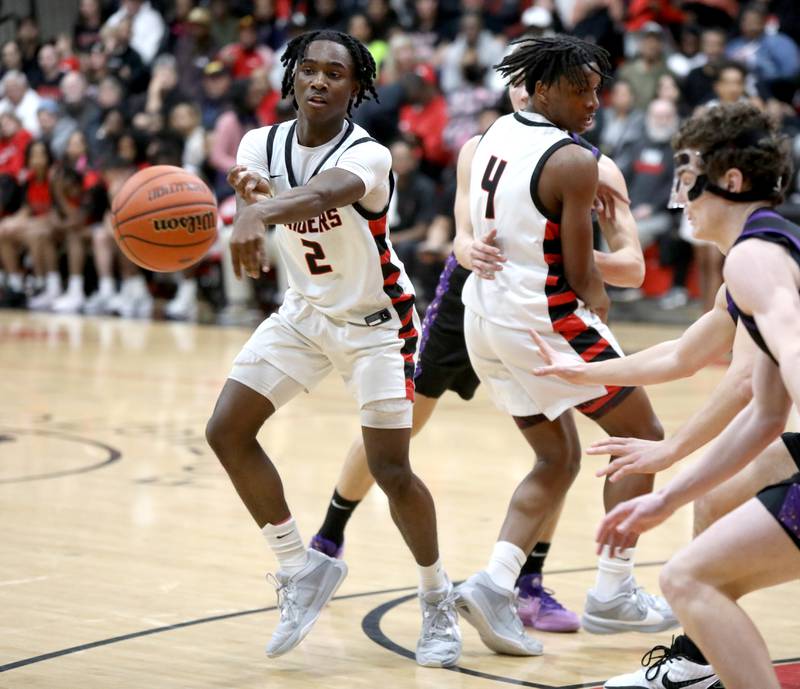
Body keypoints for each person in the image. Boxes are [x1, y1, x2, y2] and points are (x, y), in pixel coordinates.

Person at [299, 80, 645, 636]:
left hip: (536, 303)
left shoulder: (588, 167)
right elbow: (462, 234)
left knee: (557, 447)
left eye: (528, 88)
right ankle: (328, 537)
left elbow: (630, 270)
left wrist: (569, 250)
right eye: (514, 89)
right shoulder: (481, 146)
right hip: (470, 300)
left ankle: (527, 584)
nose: (520, 98)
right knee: (401, 420)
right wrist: (464, 245)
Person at [206, 30, 462, 667]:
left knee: (390, 470)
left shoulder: (369, 155)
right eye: (309, 70)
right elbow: (264, 194)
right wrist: (248, 201)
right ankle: (301, 568)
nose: (319, 81)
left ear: (357, 89)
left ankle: (437, 598)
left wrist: (252, 214)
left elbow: (322, 194)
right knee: (226, 431)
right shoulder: (258, 144)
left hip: (379, 323)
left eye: (335, 74)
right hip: (305, 312)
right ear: (291, 76)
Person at [451, 35, 669, 656]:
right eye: (581, 89)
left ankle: (495, 583)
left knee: (558, 459)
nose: (594, 100)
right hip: (544, 321)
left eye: (598, 88)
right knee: (645, 438)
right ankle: (614, 592)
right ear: (542, 88)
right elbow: (580, 274)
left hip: (484, 318)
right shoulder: (573, 161)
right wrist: (596, 300)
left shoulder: (490, 135)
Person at [593, 102, 800, 689]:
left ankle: (696, 671)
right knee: (705, 537)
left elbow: (793, 348)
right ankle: (696, 669)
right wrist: (667, 495)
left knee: (689, 579)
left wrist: (669, 472)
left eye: (688, 176)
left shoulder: (754, 258)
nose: (679, 193)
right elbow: (763, 412)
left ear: (729, 181)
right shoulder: (765, 250)